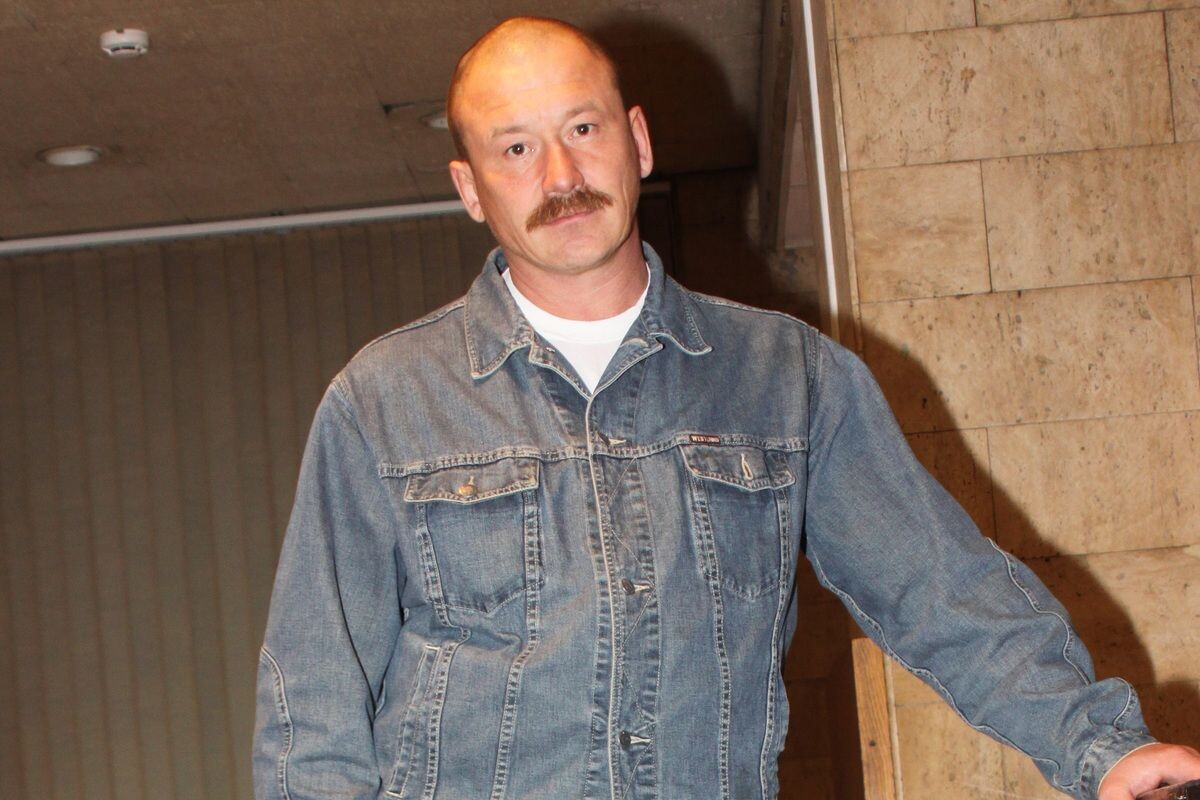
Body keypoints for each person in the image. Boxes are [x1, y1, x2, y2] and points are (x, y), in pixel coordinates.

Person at [252, 16, 1200, 800]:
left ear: (638, 140)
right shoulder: (385, 403)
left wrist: (1100, 749)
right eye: (515, 147)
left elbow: (936, 586)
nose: (559, 176)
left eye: (582, 128)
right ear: (469, 187)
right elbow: (313, 712)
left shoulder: (788, 379)